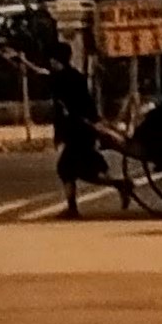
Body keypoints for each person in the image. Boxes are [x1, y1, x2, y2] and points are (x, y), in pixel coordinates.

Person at [42, 43, 124, 217]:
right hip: (85, 129)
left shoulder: (60, 80)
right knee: (81, 168)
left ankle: (117, 186)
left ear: (55, 59)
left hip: (76, 130)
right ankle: (118, 185)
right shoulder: (76, 76)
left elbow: (64, 108)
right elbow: (87, 104)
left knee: (67, 168)